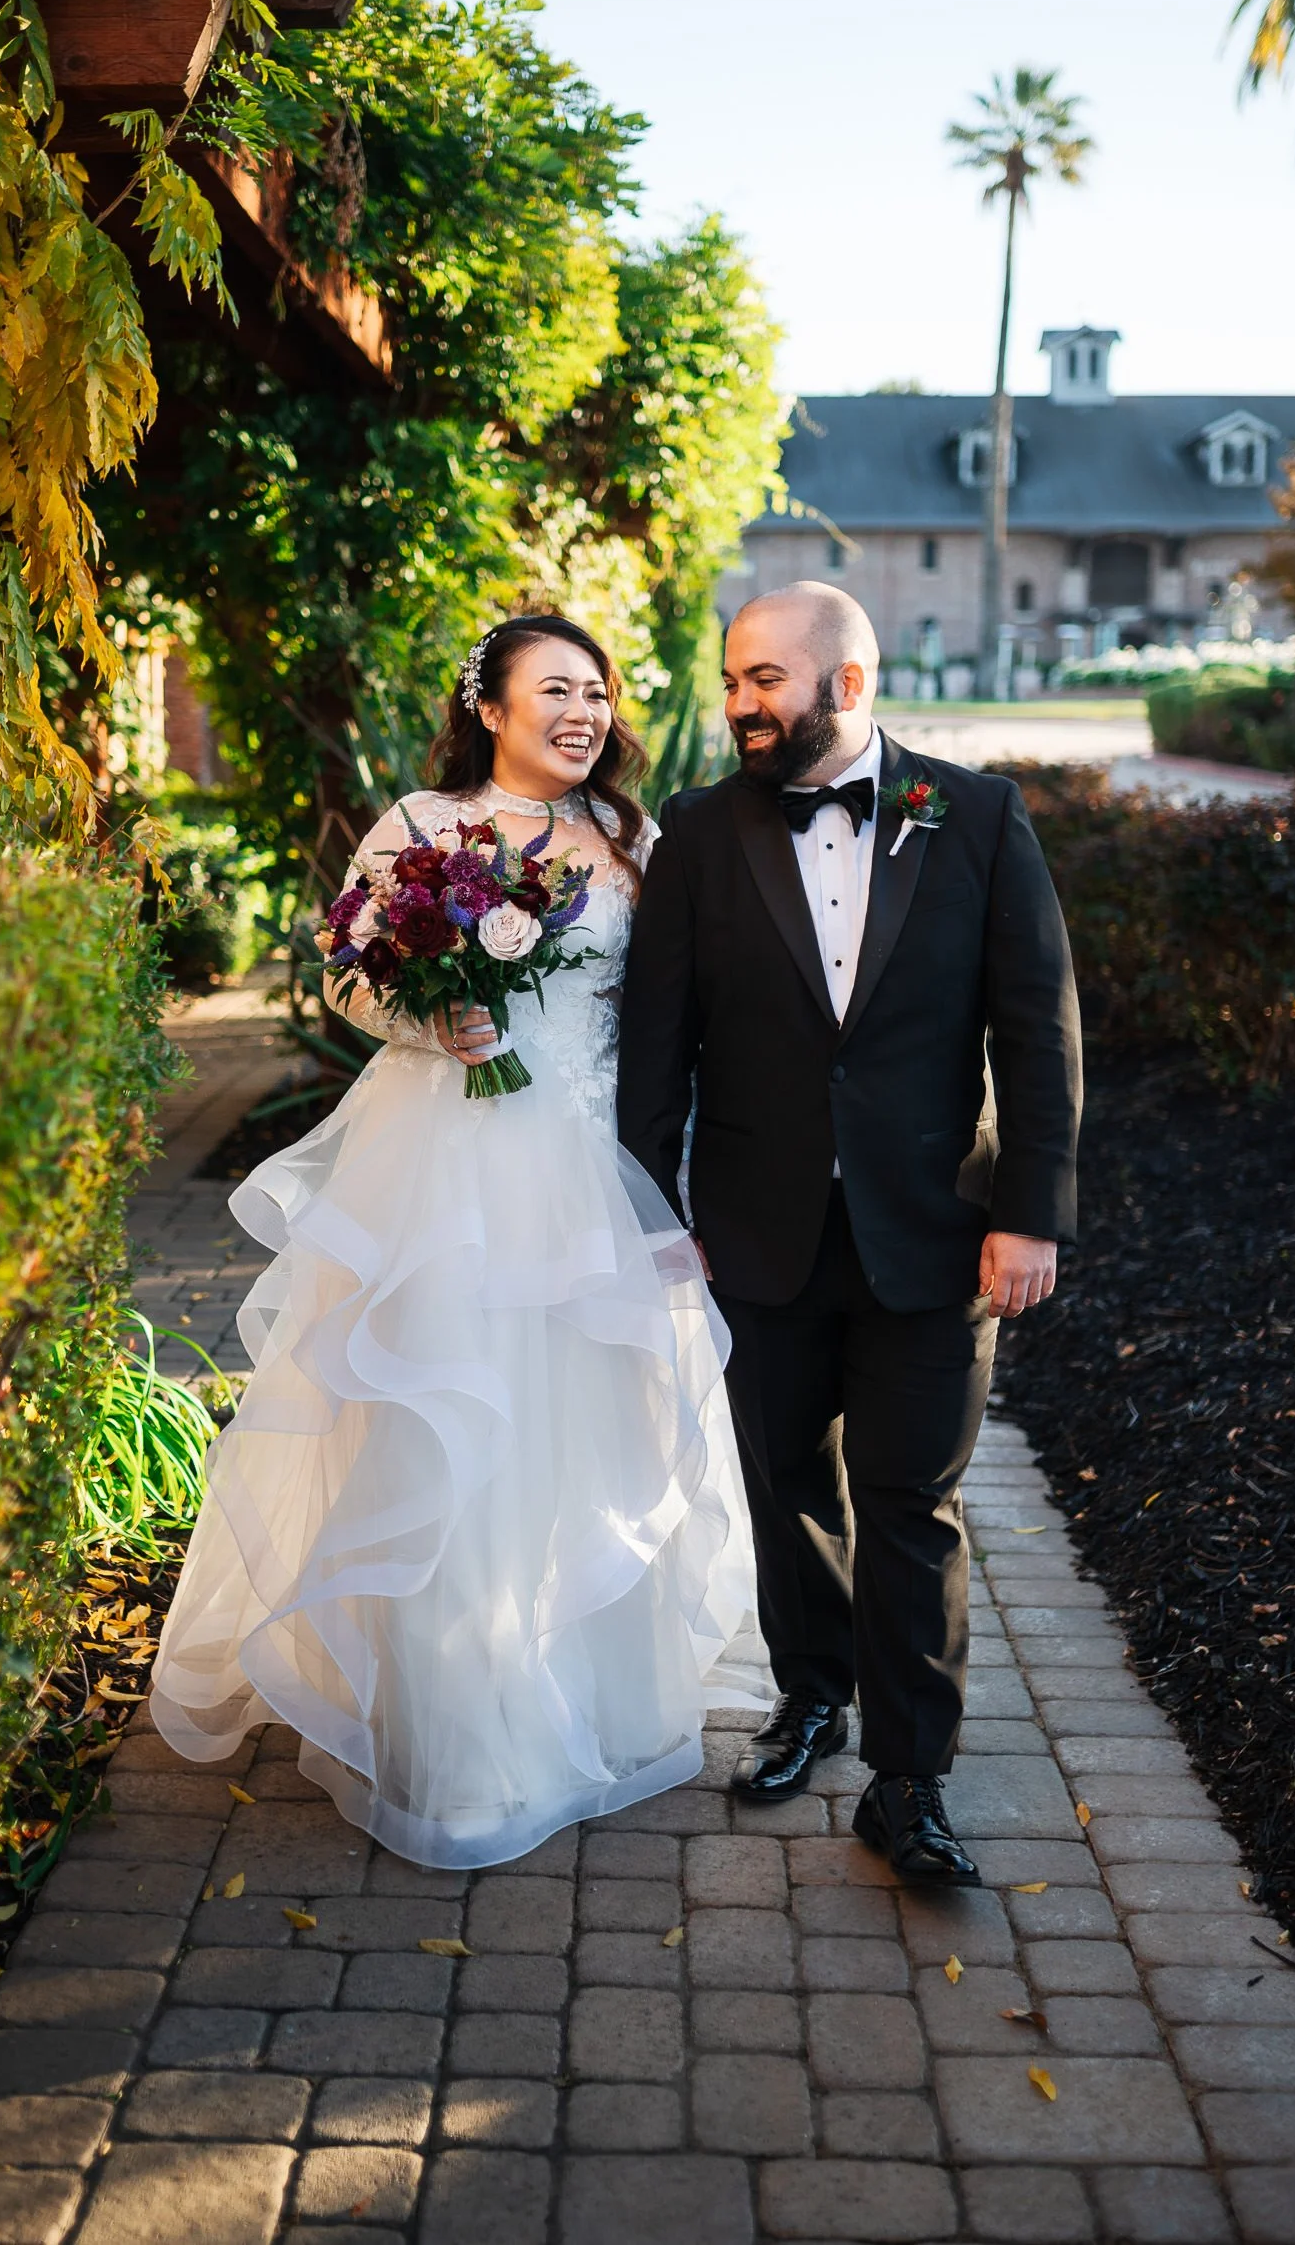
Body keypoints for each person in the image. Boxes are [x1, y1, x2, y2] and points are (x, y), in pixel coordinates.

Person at [150, 614, 762, 1869]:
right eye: (555, 689)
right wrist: (436, 1022)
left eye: (596, 690)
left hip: (597, 1170)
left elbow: (679, 1007)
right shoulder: (424, 825)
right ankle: (459, 1742)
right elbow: (350, 970)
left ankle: (592, 1701)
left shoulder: (637, 838)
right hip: (445, 1169)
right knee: (448, 1432)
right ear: (492, 707)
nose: (583, 711)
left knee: (588, 1434)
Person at [617, 583, 1081, 1884]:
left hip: (934, 1238)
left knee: (909, 1501)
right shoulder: (700, 834)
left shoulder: (973, 817)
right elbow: (657, 1049)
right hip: (755, 1234)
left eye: (764, 678)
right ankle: (808, 1698)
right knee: (787, 1488)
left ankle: (908, 1779)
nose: (738, 705)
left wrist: (1029, 1216)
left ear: (850, 684)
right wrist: (655, 1215)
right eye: (730, 680)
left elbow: (1034, 1034)